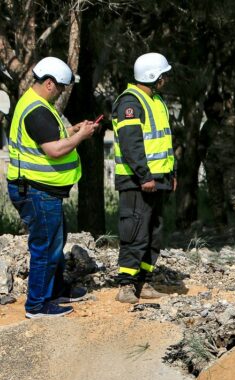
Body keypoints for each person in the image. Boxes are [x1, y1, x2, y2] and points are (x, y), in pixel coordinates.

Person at [7, 57, 97, 318]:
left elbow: (51, 136)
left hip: (42, 190)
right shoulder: (36, 110)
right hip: (36, 190)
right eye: (60, 88)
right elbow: (54, 149)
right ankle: (37, 304)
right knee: (45, 246)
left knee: (54, 242)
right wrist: (80, 137)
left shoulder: (37, 105)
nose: (60, 92)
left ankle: (56, 290)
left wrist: (73, 129)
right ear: (49, 83)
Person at [112, 52, 175, 303]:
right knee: (134, 231)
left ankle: (144, 281)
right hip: (137, 180)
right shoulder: (131, 102)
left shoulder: (156, 100)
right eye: (163, 75)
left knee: (153, 232)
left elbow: (165, 140)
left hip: (158, 178)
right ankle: (126, 285)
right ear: (153, 76)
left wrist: (171, 174)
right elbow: (131, 144)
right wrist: (144, 175)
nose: (165, 79)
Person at [198, 91, 235, 226]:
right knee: (216, 198)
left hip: (231, 166)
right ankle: (221, 228)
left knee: (233, 197)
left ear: (220, 105)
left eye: (213, 105)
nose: (210, 109)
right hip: (213, 167)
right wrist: (205, 162)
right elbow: (201, 145)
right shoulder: (208, 125)